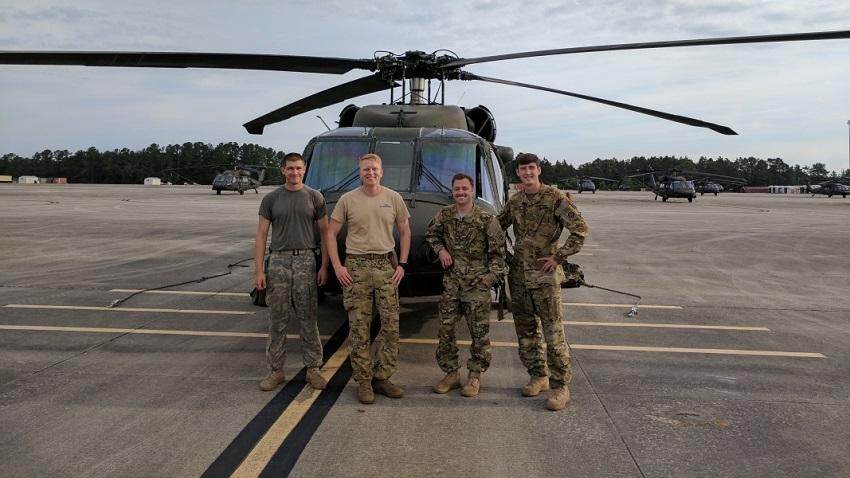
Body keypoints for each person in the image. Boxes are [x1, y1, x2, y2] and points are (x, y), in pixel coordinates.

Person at [497, 152, 588, 411]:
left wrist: (559, 257)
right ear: (518, 174)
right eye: (522, 169)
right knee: (526, 332)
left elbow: (580, 229)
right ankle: (538, 376)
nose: (527, 173)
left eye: (531, 168)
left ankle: (561, 387)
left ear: (539, 170)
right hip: (519, 278)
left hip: (545, 278)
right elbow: (496, 227)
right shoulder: (515, 202)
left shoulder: (555, 199)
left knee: (553, 334)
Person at [327, 153, 411, 404]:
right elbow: (331, 234)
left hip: (386, 265)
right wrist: (337, 266)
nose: (370, 173)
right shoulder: (347, 200)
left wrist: (403, 264)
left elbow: (405, 231)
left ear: (381, 172)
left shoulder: (393, 198)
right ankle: (364, 381)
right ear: (360, 172)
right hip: (357, 267)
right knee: (359, 328)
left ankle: (382, 376)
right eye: (365, 170)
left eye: (374, 169)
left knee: (391, 326)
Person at [254, 152, 329, 392]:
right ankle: (276, 370)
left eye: (298, 168)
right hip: (278, 261)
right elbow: (261, 235)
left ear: (304, 169)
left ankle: (313, 368)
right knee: (278, 319)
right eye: (290, 169)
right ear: (282, 170)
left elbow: (326, 234)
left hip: (306, 260)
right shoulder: (271, 199)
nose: (294, 173)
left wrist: (324, 266)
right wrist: (259, 271)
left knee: (308, 318)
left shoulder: (315, 197)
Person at [425, 173, 505, 397]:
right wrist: (440, 250)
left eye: (464, 189)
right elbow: (431, 235)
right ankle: (451, 373)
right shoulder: (445, 215)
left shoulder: (486, 219)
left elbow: (499, 256)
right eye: (457, 189)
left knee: (479, 334)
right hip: (452, 284)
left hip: (477, 287)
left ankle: (475, 376)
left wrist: (487, 280)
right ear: (453, 191)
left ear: (472, 190)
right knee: (446, 331)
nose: (460, 192)